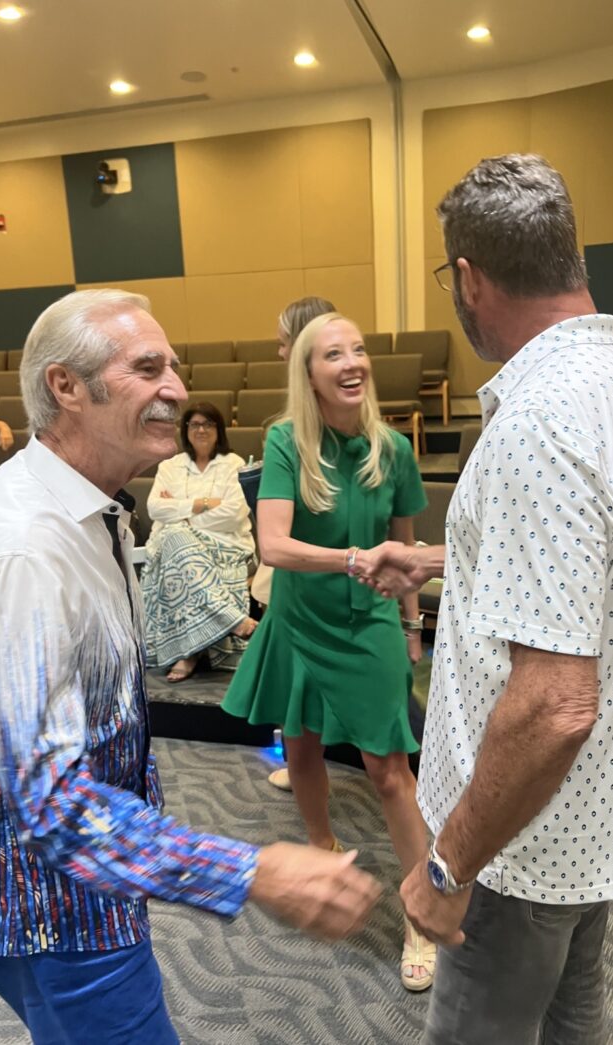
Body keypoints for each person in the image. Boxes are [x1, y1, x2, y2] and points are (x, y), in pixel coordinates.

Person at [0, 289, 381, 1044]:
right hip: (57, 918)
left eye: (174, 364)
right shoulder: (22, 552)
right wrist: (251, 871)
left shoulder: (90, 511)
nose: (176, 386)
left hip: (79, 895)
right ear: (65, 386)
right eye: (147, 367)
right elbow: (54, 806)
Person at [356, 155, 613, 1044]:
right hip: (592, 820)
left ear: (467, 277)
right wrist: (444, 559)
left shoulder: (539, 422)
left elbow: (553, 704)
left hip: (514, 847)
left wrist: (446, 861)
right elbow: (593, 576)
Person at [222, 312, 437, 992]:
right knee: (302, 744)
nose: (352, 362)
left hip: (369, 620)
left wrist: (409, 628)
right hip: (299, 618)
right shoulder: (287, 442)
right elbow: (275, 547)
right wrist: (352, 557)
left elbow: (404, 548)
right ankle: (323, 845)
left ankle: (422, 912)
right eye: (332, 353)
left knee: (390, 772)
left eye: (359, 350)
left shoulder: (392, 448)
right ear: (307, 372)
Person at [266, 295, 336, 790]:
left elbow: (279, 540)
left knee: (304, 682)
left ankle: (305, 764)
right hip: (326, 574)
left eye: (284, 343)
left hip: (316, 580)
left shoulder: (290, 435)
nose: (278, 353)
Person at [142, 401, 256, 682]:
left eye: (208, 424)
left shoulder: (233, 464)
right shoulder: (170, 466)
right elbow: (155, 508)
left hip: (226, 544)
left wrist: (181, 512)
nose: (201, 430)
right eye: (194, 424)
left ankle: (188, 653)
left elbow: (234, 513)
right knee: (174, 539)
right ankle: (230, 619)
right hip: (176, 543)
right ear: (186, 429)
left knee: (173, 535)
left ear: (219, 429)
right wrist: (206, 503)